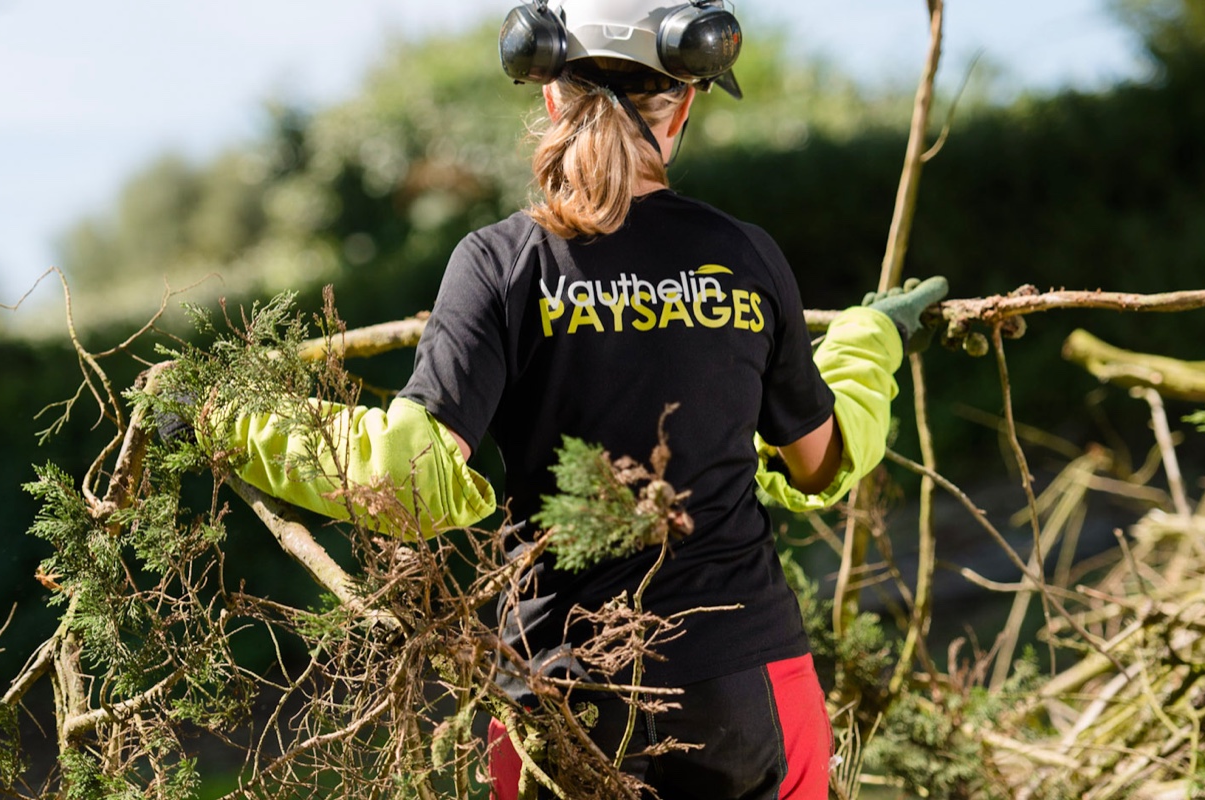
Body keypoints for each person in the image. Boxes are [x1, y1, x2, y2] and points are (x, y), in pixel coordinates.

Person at [213, 1, 949, 797]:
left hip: (561, 702)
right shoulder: (743, 254)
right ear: (686, 102)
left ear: (551, 94)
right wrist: (871, 340)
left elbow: (403, 477)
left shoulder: (497, 263)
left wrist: (228, 417)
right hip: (752, 684)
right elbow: (818, 461)